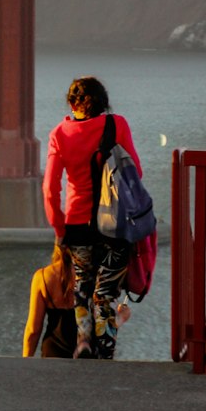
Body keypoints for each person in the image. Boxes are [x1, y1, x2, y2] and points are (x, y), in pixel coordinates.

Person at [42, 74, 143, 360]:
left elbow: (49, 188)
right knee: (105, 292)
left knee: (82, 288)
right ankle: (106, 350)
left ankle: (84, 340)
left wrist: (59, 227)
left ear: (72, 103)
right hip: (115, 223)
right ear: (103, 102)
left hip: (77, 223)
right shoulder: (117, 124)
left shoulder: (59, 133)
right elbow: (136, 171)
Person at [23, 241, 76, 357]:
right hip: (85, 354)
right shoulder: (91, 275)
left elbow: (33, 330)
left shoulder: (42, 276)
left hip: (52, 353)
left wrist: (25, 363)